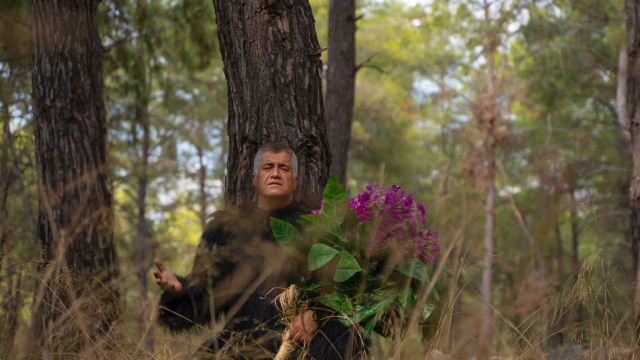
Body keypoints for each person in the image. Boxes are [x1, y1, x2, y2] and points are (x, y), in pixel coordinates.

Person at [153, 142, 364, 359]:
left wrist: (316, 314)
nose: (275, 173)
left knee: (342, 336)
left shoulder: (316, 225)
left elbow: (346, 289)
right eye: (268, 167)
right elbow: (203, 297)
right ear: (254, 178)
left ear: (296, 180)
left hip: (301, 340)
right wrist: (178, 291)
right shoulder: (224, 230)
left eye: (284, 168)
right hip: (242, 344)